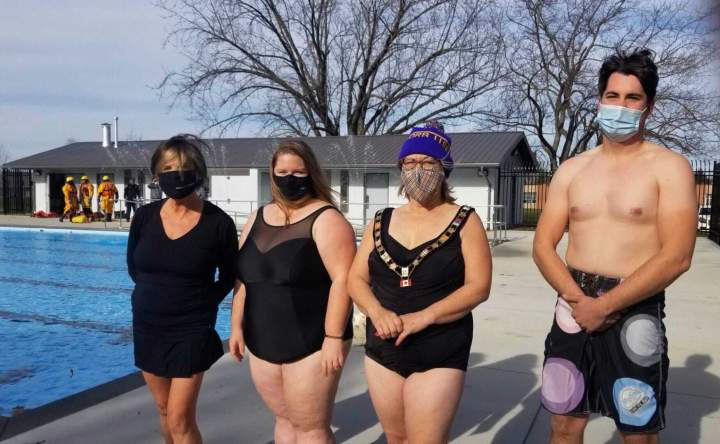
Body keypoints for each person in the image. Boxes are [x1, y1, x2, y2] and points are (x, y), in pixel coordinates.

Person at [533, 49, 697, 444]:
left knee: (637, 430)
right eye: (613, 95)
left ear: (648, 107)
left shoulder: (669, 167)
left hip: (633, 307)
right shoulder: (572, 169)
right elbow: (542, 245)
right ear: (599, 100)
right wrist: (579, 301)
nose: (620, 105)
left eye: (632, 97)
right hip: (572, 306)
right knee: (564, 423)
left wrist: (606, 305)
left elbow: (677, 256)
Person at [347, 121, 492, 444]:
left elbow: (478, 286)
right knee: (395, 437)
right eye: (410, 163)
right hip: (383, 346)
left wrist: (425, 317)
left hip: (439, 346)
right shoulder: (380, 220)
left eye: (427, 163)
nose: (418, 170)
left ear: (443, 168)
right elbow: (355, 279)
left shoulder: (466, 220)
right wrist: (376, 311)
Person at [232, 140, 355, 443]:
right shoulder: (257, 217)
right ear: (272, 174)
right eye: (283, 172)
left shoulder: (327, 219)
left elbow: (344, 280)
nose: (290, 179)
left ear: (311, 173)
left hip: (312, 340)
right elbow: (244, 279)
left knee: (310, 428)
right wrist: (235, 327)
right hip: (262, 340)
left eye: (298, 173)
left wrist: (333, 337)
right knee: (284, 421)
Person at [126, 134, 238, 444]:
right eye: (168, 168)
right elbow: (134, 266)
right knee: (164, 410)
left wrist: (202, 303)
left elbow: (230, 276)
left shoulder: (218, 223)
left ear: (198, 173)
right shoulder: (144, 217)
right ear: (156, 174)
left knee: (179, 418)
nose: (176, 174)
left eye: (184, 168)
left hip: (190, 328)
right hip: (148, 326)